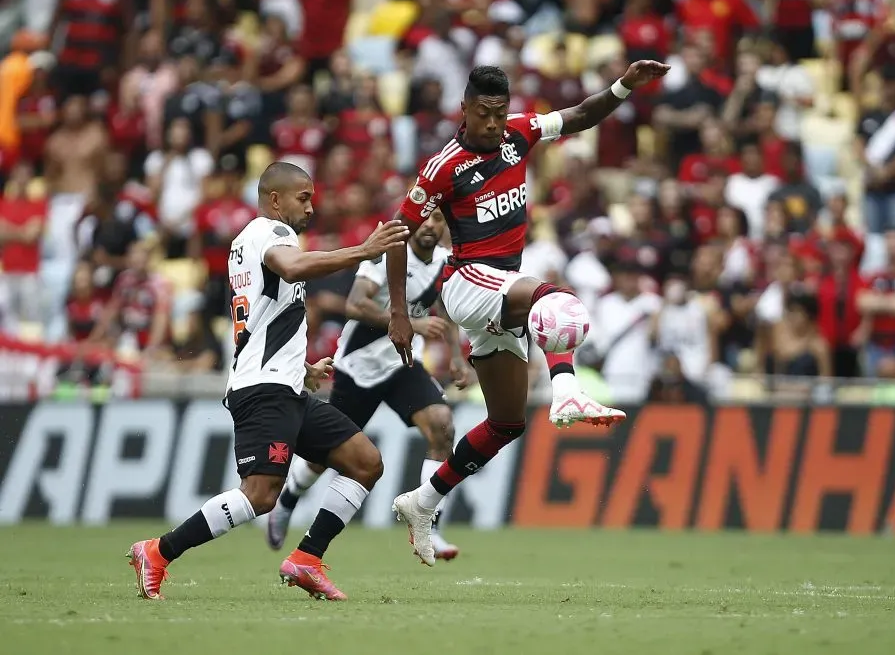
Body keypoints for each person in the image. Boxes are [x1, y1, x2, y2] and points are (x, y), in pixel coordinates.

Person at [387, 61, 670, 566]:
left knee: (506, 422)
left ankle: (423, 501)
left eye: (500, 113)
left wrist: (625, 85)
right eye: (484, 114)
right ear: (465, 110)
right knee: (557, 300)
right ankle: (567, 392)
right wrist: (399, 313)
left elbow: (582, 114)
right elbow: (396, 233)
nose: (494, 124)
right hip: (469, 282)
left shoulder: (521, 133)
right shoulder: (442, 167)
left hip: (499, 290)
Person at [127, 162, 409, 600]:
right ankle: (158, 551)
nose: (311, 208)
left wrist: (302, 368)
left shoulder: (248, 242)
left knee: (364, 462)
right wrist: (363, 250)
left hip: (283, 384)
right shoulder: (272, 234)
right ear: (275, 199)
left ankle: (307, 559)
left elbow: (264, 316)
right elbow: (294, 269)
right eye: (303, 197)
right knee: (259, 496)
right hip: (263, 389)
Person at [265, 209, 470, 560]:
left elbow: (442, 307)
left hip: (403, 365)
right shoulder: (388, 253)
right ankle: (289, 497)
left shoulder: (442, 262)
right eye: (427, 218)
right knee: (324, 458)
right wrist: (408, 322)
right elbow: (355, 303)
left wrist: (456, 356)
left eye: (439, 220)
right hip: (358, 369)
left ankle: (428, 523)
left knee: (442, 426)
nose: (432, 226)